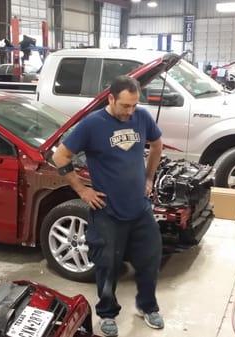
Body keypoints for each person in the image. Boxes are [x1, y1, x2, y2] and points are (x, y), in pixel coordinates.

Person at [52, 75, 164, 337]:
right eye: (125, 105)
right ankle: (107, 313)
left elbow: (157, 144)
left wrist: (149, 177)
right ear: (111, 99)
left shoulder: (142, 117)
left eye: (134, 105)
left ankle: (148, 307)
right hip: (107, 211)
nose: (130, 111)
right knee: (107, 264)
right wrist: (82, 190)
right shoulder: (92, 124)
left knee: (150, 258)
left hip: (139, 207)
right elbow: (60, 156)